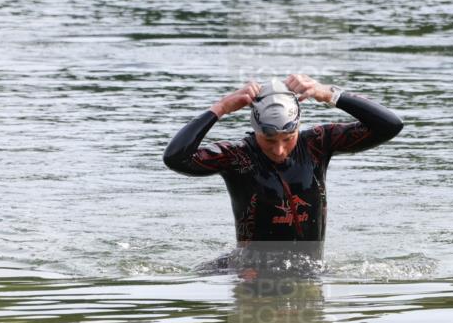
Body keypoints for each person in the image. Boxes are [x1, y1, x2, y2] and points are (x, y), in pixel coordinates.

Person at [163, 74, 403, 257]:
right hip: (252, 275)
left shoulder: (317, 144)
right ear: (256, 129)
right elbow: (175, 158)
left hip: (309, 270)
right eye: (269, 140)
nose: (279, 150)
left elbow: (390, 125)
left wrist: (329, 94)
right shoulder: (237, 156)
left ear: (298, 126)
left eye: (288, 139)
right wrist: (221, 108)